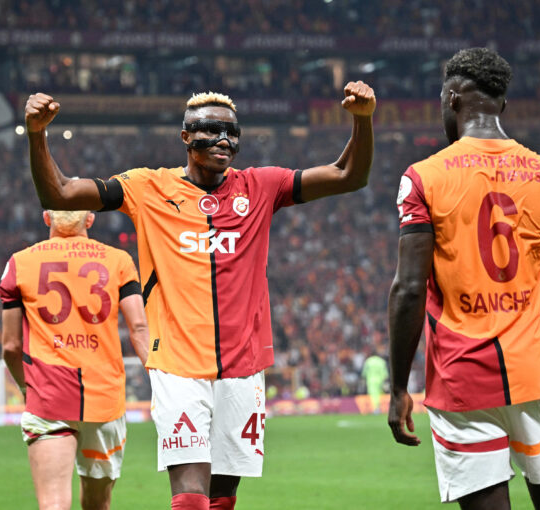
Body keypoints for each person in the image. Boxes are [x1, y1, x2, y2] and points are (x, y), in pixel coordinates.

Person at [24, 82, 375, 509]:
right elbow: (57, 193)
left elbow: (348, 175)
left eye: (232, 131)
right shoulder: (147, 188)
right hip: (177, 365)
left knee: (223, 497)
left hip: (242, 368)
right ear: (186, 137)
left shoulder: (261, 187)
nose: (224, 140)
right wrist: (38, 134)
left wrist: (362, 120)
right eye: (210, 129)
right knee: (190, 497)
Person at [386, 47, 540, 510]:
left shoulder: (423, 178)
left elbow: (408, 289)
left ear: (451, 99)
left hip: (461, 376)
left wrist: (397, 389)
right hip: (536, 369)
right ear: (502, 106)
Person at [0, 209, 149, 510]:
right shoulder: (118, 261)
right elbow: (140, 328)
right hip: (104, 400)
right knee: (98, 503)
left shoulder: (20, 263)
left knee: (53, 503)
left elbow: (11, 346)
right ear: (90, 220)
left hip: (49, 397)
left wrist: (28, 388)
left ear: (46, 217)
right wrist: (163, 380)